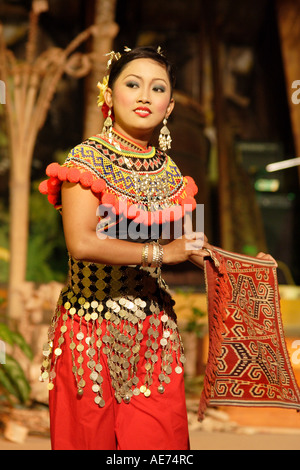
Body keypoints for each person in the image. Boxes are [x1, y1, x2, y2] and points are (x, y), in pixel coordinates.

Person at [39, 45, 273, 450]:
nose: (145, 95)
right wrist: (162, 253)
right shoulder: (84, 161)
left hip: (154, 337)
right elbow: (82, 243)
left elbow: (194, 245)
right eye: (133, 84)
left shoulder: (174, 174)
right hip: (89, 335)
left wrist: (241, 265)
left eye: (158, 88)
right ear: (109, 96)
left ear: (169, 106)